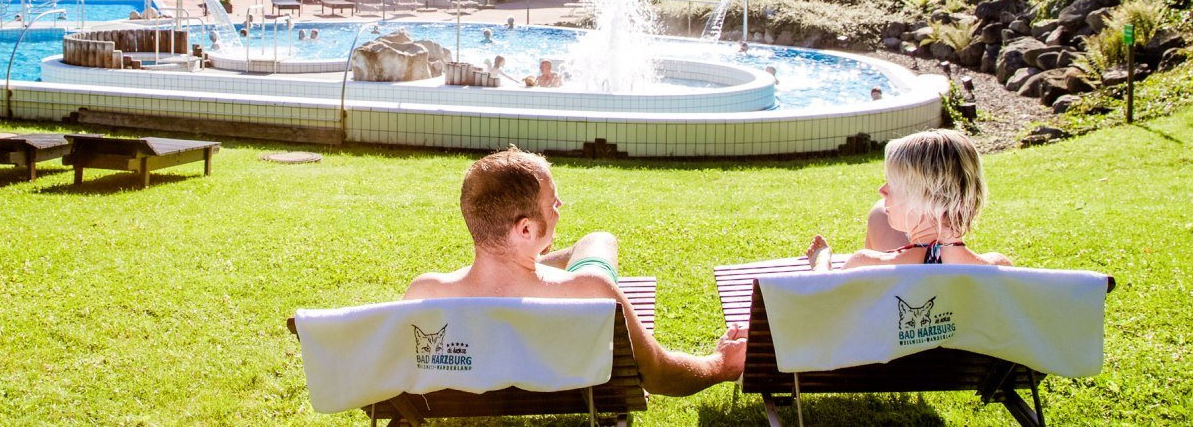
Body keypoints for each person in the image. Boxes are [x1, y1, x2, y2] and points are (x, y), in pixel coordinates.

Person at [406, 148, 745, 395]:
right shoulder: (589, 289)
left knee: (596, 242)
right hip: (579, 347)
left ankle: (518, 262)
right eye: (553, 203)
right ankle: (539, 258)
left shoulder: (425, 293)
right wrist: (721, 364)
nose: (559, 208)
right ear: (525, 229)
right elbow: (658, 374)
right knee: (599, 242)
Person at [807, 128, 1011, 271]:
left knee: (877, 213)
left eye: (891, 184)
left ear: (925, 198)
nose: (882, 190)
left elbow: (824, 301)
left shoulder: (866, 264)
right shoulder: (999, 268)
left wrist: (821, 261)